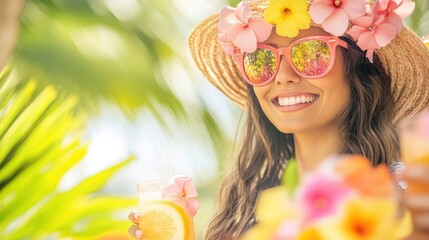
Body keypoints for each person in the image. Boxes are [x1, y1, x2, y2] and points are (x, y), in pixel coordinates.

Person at [129, 0, 429, 239]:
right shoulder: (244, 210)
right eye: (261, 59)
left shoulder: (402, 199)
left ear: (359, 71)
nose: (283, 77)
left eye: (312, 53)